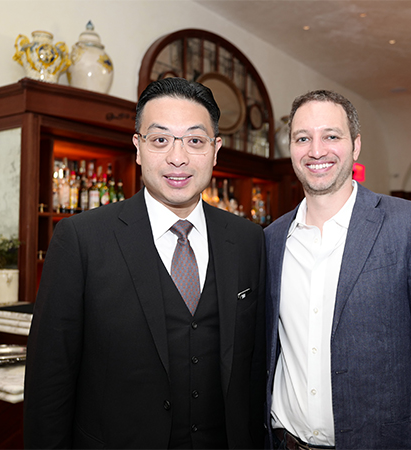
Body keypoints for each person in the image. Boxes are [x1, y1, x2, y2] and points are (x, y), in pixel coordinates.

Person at [24, 78, 266, 449]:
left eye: (195, 141)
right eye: (160, 139)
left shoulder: (248, 240)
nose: (178, 158)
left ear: (215, 150)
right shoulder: (82, 239)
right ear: (138, 147)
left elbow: (255, 368)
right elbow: (50, 379)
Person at [264, 90, 411, 450]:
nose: (316, 150)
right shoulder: (270, 240)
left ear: (356, 146)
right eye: (303, 138)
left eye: (331, 136)